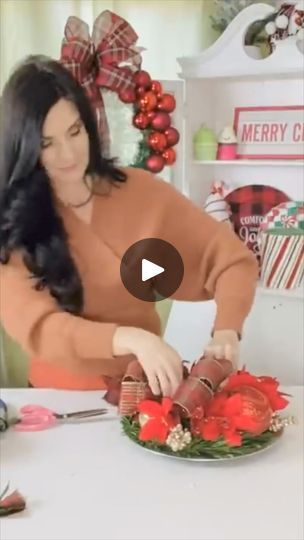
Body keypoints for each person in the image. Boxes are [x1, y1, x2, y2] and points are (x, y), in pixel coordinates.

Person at [0, 55, 259, 396]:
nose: (68, 154)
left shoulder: (141, 193)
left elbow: (231, 260)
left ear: (90, 125)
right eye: (47, 144)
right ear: (25, 148)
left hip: (144, 396)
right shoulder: (15, 221)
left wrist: (227, 329)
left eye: (74, 132)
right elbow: (42, 329)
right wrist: (132, 339)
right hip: (54, 404)